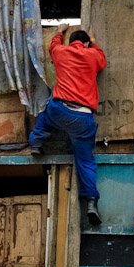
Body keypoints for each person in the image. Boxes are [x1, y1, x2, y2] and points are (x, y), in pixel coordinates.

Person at [29, 23, 107, 224]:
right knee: (85, 160)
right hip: (84, 118)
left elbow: (53, 45)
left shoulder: (61, 52)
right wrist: (94, 42)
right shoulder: (93, 56)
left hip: (60, 111)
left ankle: (37, 142)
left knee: (48, 106)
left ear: (70, 42)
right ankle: (90, 202)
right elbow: (102, 60)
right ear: (86, 43)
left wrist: (60, 31)